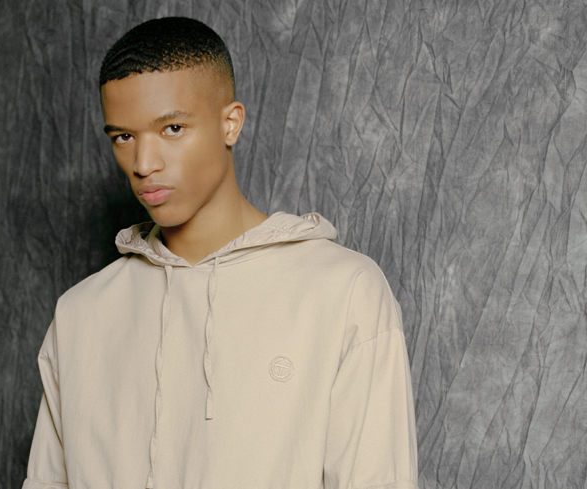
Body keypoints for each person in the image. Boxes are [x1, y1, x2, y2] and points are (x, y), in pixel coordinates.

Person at [22, 16, 418, 489]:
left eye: (172, 128)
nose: (143, 164)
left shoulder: (344, 293)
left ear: (230, 123)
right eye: (123, 137)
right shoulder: (79, 315)